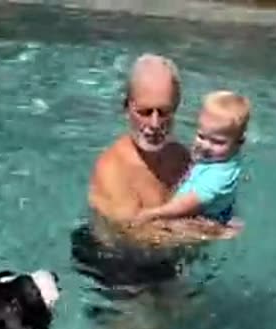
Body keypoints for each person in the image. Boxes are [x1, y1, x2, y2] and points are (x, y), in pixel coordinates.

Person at [85, 54, 238, 248]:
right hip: (114, 267)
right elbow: (131, 234)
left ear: (176, 107)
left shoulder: (182, 157)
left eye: (164, 112)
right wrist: (211, 232)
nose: (155, 124)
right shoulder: (112, 168)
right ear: (127, 107)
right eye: (145, 112)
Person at [133, 90, 250, 227]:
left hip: (200, 218)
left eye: (217, 142)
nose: (205, 146)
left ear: (239, 142)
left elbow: (187, 204)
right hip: (213, 206)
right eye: (201, 136)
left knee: (152, 233)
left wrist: (153, 213)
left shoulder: (219, 175)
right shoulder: (222, 155)